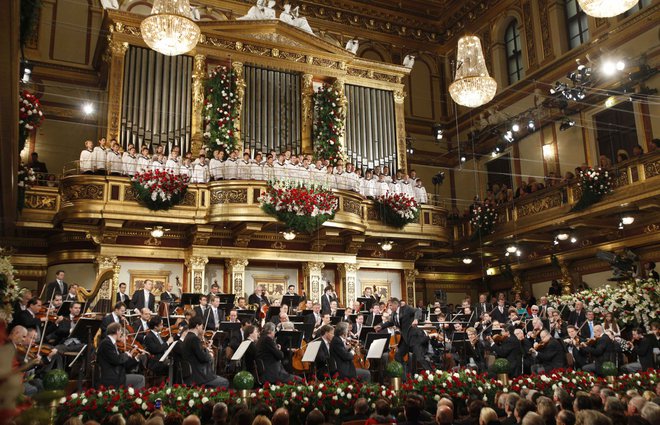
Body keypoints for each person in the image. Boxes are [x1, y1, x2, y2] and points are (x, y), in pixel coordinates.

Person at [376, 297, 430, 370]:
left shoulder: (406, 308)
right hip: (405, 339)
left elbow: (417, 311)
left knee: (419, 358)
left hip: (414, 337)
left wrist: (416, 319)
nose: (390, 307)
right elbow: (391, 322)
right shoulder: (394, 314)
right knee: (398, 356)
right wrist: (381, 326)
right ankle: (405, 377)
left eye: (390, 305)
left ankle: (432, 374)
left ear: (396, 304)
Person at [181, 316, 228, 387]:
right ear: (197, 326)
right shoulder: (194, 339)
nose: (202, 329)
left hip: (192, 374)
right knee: (224, 382)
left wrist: (204, 347)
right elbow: (203, 358)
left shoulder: (187, 337)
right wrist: (208, 353)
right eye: (202, 326)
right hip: (198, 376)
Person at [96, 322, 145, 389]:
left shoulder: (112, 343)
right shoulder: (106, 343)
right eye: (121, 332)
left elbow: (124, 364)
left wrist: (136, 358)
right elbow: (116, 360)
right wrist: (126, 354)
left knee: (140, 378)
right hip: (111, 378)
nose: (121, 334)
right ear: (117, 331)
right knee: (140, 379)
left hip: (118, 376)